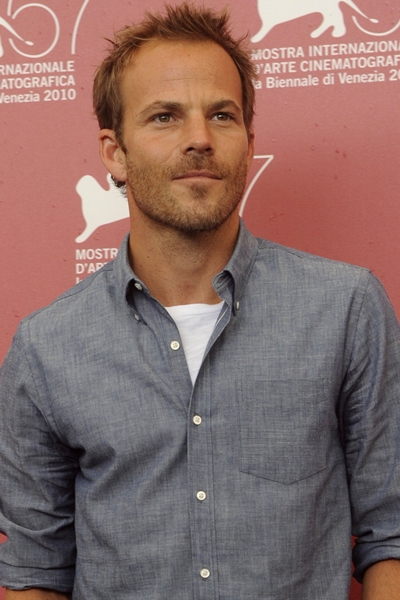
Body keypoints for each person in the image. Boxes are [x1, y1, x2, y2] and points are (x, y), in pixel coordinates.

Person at [1, 3, 400, 599]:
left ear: (248, 141)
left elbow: (390, 532)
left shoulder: (346, 308)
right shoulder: (46, 348)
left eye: (222, 115)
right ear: (114, 152)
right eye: (164, 117)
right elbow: (36, 571)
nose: (199, 139)